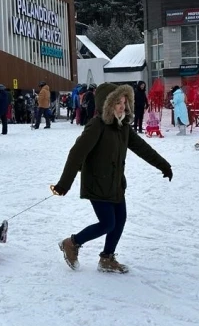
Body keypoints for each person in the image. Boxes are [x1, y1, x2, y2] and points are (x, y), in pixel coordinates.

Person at [52, 83, 173, 273]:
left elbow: (143, 148)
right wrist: (64, 184)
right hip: (97, 183)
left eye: (124, 102)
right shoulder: (96, 126)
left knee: (120, 219)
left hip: (115, 183)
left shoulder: (122, 126)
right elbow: (77, 154)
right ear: (107, 104)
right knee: (108, 223)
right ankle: (72, 243)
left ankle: (107, 258)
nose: (122, 106)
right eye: (117, 102)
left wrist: (163, 165)